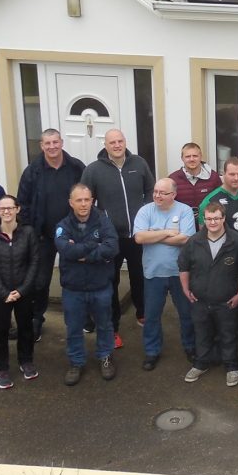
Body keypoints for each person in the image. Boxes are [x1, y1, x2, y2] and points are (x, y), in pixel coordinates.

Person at [81, 128, 155, 344]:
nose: (116, 145)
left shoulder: (139, 164)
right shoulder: (94, 170)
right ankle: (112, 327)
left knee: (140, 277)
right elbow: (85, 199)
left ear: (125, 142)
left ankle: (142, 312)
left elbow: (151, 189)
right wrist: (98, 224)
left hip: (137, 235)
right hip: (110, 239)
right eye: (112, 142)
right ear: (105, 145)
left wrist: (146, 211)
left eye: (120, 141)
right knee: (110, 282)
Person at [16, 128, 86, 342]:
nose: (52, 147)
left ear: (62, 142)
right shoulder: (32, 171)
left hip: (73, 235)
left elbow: (88, 197)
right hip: (42, 237)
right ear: (41, 145)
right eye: (48, 143)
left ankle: (83, 318)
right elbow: (23, 203)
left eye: (55, 142)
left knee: (76, 278)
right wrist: (29, 230)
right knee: (40, 281)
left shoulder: (76, 167)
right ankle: (37, 319)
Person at [179, 202, 238, 387]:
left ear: (223, 218)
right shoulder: (194, 241)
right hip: (199, 301)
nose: (212, 222)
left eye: (216, 218)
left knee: (228, 335)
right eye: (209, 219)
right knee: (201, 334)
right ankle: (201, 364)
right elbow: (183, 267)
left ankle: (232, 366)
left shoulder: (236, 241)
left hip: (227, 302)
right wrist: (185, 289)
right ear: (204, 219)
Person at [56, 183, 119, 385]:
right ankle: (76, 362)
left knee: (105, 325)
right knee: (73, 327)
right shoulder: (62, 226)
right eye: (79, 200)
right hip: (73, 288)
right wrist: (94, 246)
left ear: (92, 201)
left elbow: (112, 248)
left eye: (87, 200)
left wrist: (83, 253)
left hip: (100, 285)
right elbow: (66, 250)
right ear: (71, 203)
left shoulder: (104, 222)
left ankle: (105, 357)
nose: (83, 204)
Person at [132, 177, 196, 370]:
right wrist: (169, 232)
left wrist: (155, 234)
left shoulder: (184, 210)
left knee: (186, 313)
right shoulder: (145, 210)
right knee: (151, 315)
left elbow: (185, 239)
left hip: (180, 273)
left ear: (174, 195)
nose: (157, 196)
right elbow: (140, 237)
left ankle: (191, 347)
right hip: (153, 273)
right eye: (155, 192)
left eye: (163, 193)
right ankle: (152, 351)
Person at [0, 194, 39, 389]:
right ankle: (1, 368)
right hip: (0, 294)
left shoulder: (28, 233)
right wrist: (4, 292)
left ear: (17, 209)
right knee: (0, 330)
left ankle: (26, 360)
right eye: (2, 208)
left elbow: (34, 262)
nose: (6, 211)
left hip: (23, 292)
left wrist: (22, 290)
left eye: (10, 208)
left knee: (26, 328)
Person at [199, 156, 238, 234]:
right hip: (225, 245)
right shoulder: (210, 201)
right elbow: (203, 232)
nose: (236, 178)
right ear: (223, 173)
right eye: (232, 174)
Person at [168, 142, 222, 224]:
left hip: (208, 225)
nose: (192, 159)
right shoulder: (173, 179)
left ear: (201, 157)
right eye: (188, 156)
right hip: (182, 224)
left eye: (195, 156)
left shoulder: (213, 177)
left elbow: (221, 201)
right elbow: (168, 204)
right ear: (182, 158)